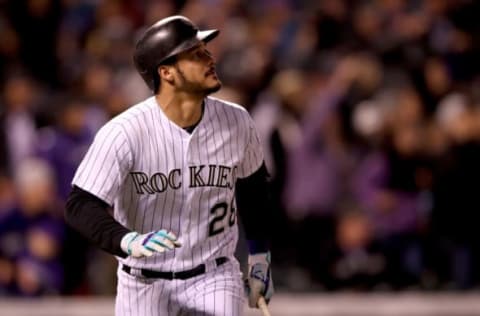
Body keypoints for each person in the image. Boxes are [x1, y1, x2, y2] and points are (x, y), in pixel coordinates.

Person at [65, 15, 273, 315]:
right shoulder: (125, 132)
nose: (210, 58)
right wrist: (126, 239)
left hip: (213, 276)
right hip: (143, 284)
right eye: (196, 54)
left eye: (206, 49)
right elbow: (80, 205)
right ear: (167, 72)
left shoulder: (237, 120)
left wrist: (260, 256)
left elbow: (254, 187)